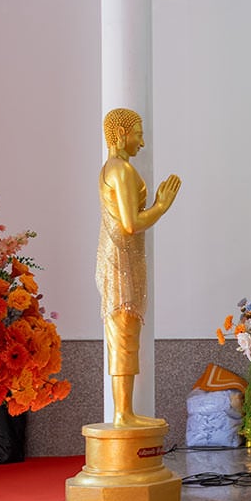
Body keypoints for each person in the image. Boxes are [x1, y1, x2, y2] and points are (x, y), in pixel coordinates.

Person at [97, 107, 181, 427]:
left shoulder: (118, 169)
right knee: (123, 334)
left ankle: (125, 411)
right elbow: (131, 224)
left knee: (126, 332)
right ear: (121, 135)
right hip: (119, 258)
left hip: (123, 257)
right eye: (139, 134)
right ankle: (122, 413)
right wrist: (161, 206)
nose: (142, 143)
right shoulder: (119, 170)